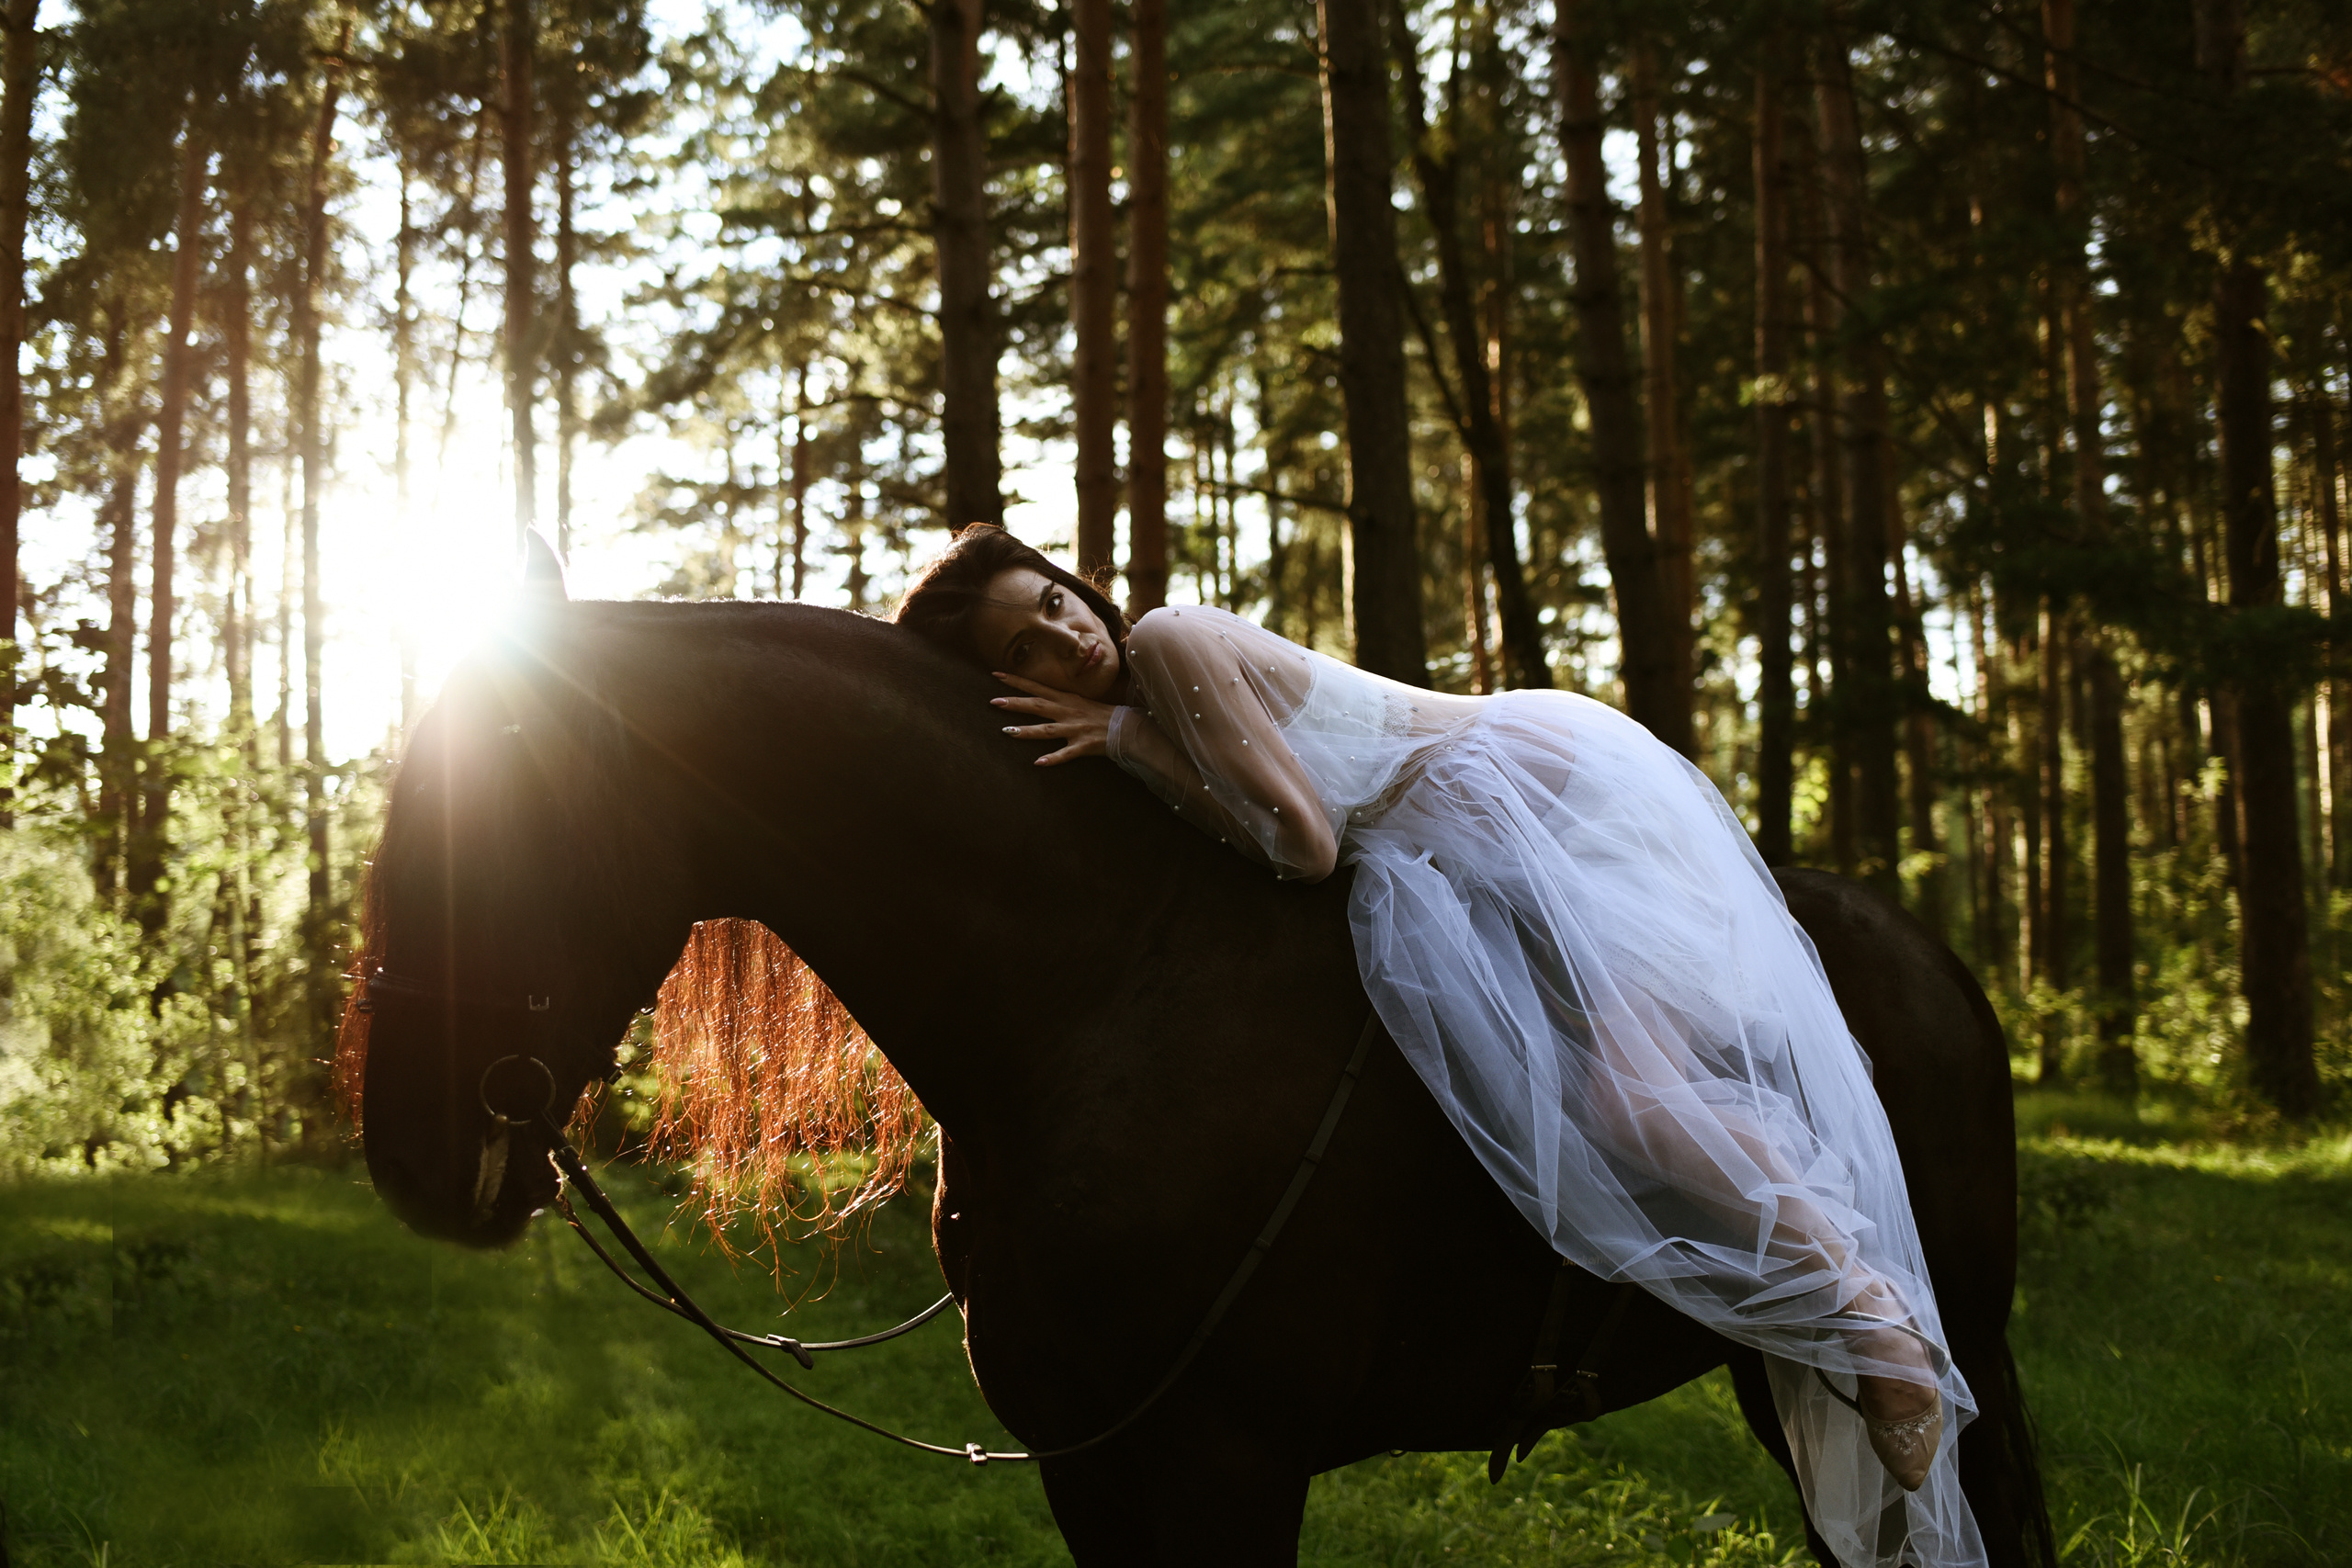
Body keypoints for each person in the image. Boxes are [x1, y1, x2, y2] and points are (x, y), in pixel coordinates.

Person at [895, 525, 1987, 1568]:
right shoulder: (1131, 704)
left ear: (1073, 581)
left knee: (1626, 1099)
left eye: (1053, 603)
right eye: (1024, 651)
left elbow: (1304, 842)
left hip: (1524, 806)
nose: (1066, 641)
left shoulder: (1167, 643)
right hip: (1441, 850)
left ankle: (1867, 1317)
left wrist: (1127, 743)